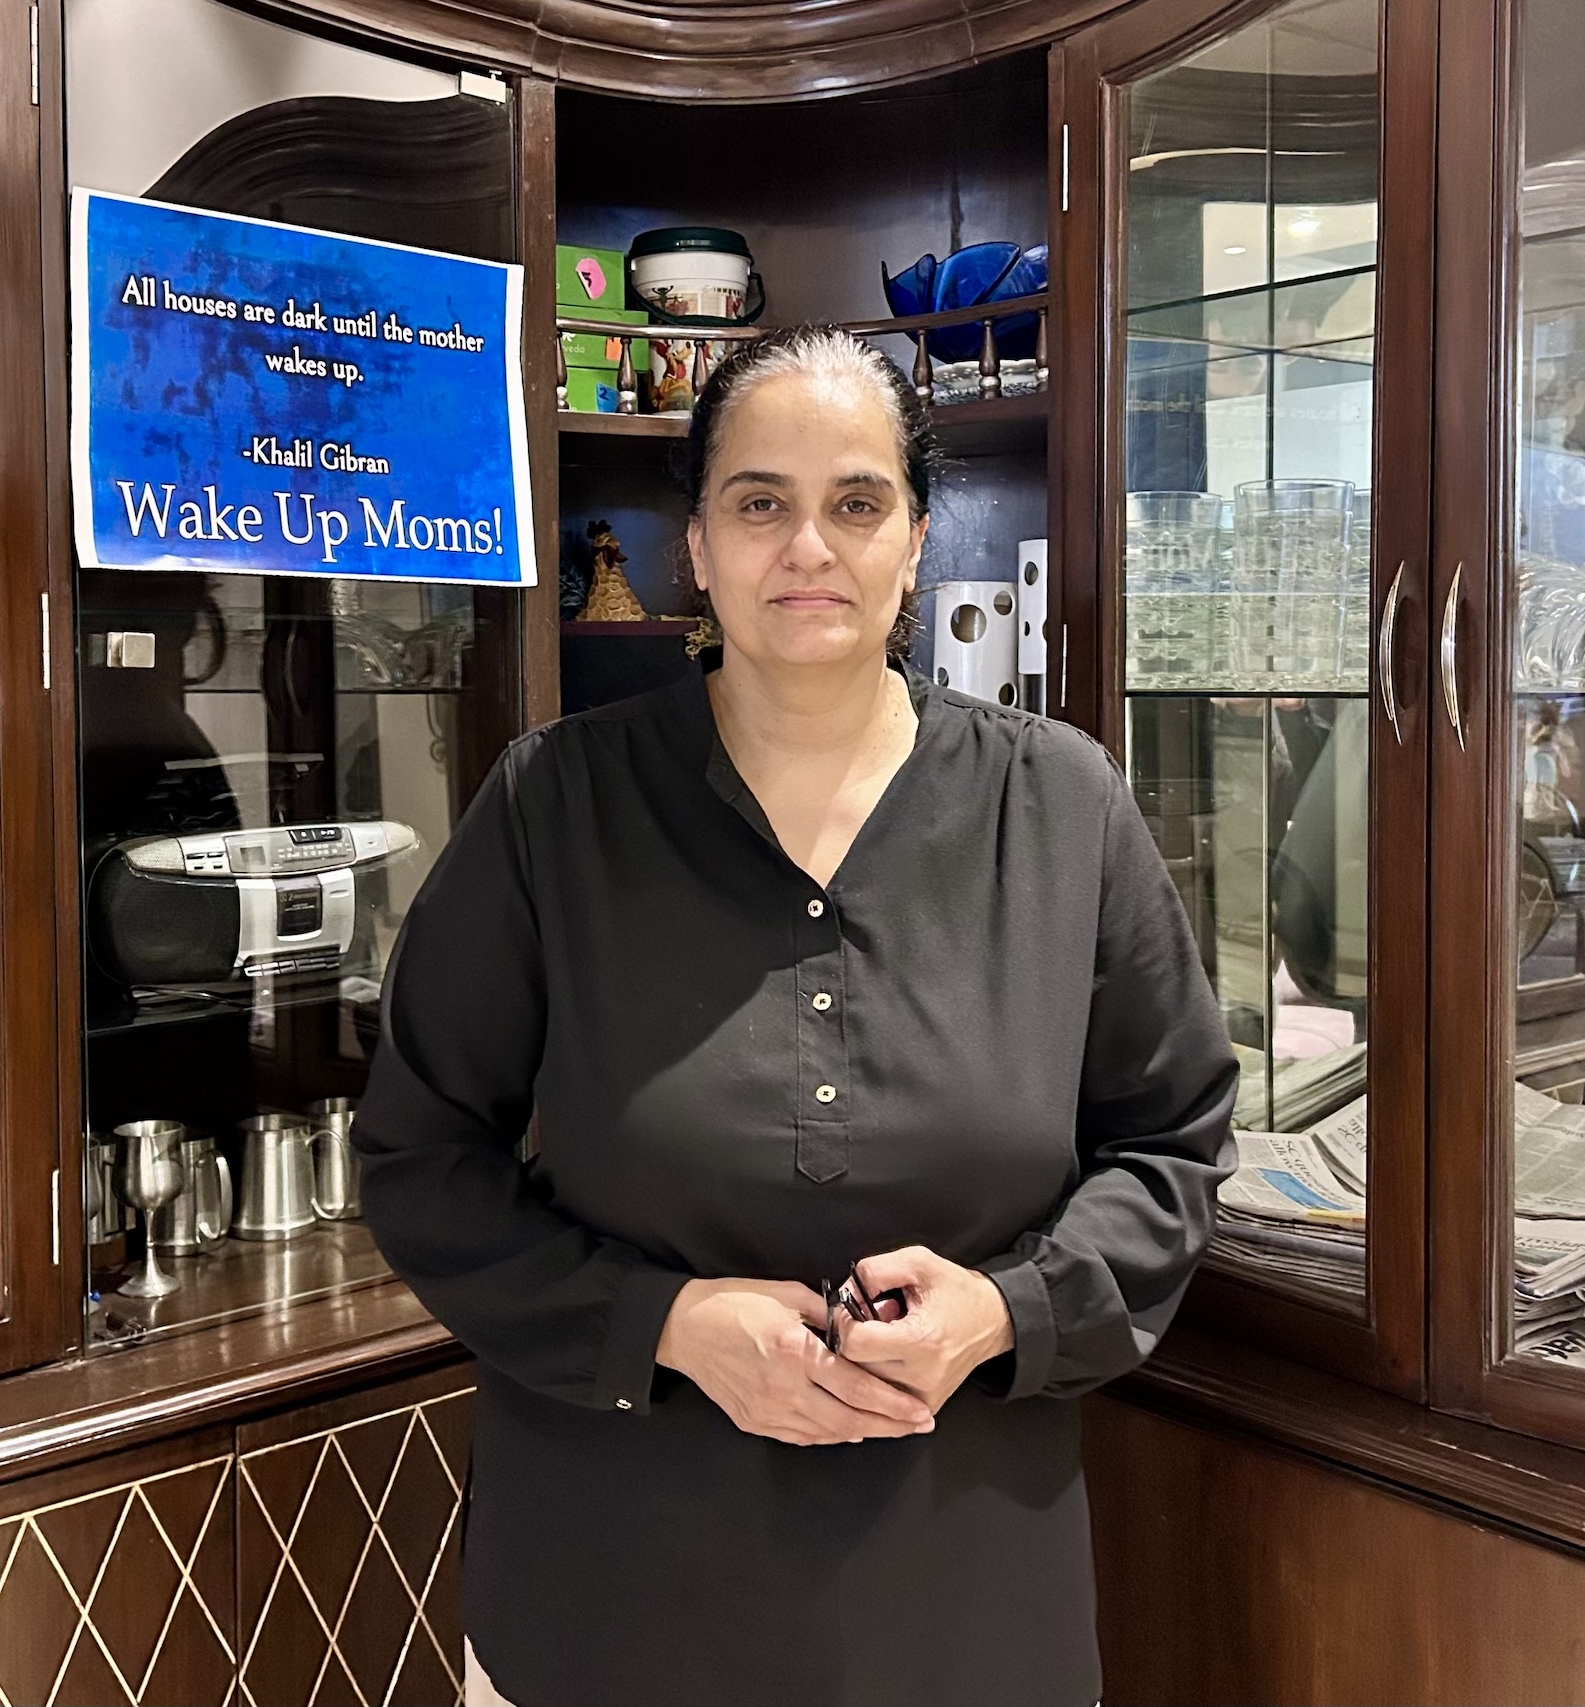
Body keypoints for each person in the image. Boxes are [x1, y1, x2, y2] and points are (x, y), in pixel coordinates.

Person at [353, 324, 1237, 1706]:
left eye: (856, 503)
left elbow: (1173, 1145)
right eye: (759, 502)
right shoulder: (554, 808)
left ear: (916, 539)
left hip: (962, 1610)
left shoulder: (1060, 807)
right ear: (696, 546)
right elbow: (420, 1158)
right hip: (613, 1607)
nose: (807, 547)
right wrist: (663, 1325)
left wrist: (1004, 1314)